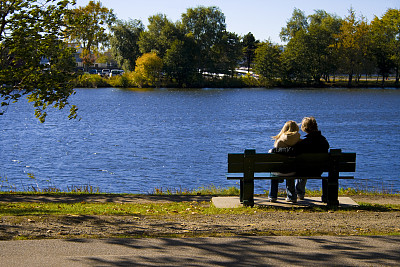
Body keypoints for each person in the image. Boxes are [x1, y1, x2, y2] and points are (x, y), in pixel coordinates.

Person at [271, 116, 330, 202]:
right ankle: (300, 193)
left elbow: (291, 150)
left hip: (305, 170)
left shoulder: (304, 143)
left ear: (304, 128)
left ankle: (297, 193)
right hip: (318, 170)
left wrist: (275, 150)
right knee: (304, 166)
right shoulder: (324, 141)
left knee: (299, 167)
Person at [268, 120, 301, 203]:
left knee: (274, 173)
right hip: (293, 171)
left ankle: (273, 196)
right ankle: (292, 196)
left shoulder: (279, 142)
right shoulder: (300, 142)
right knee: (290, 171)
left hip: (278, 171)